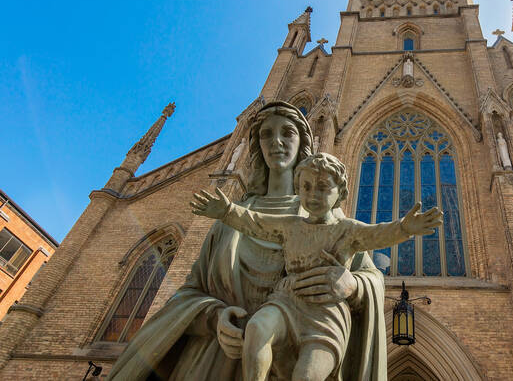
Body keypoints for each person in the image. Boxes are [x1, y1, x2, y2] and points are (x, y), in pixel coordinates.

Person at [109, 102, 388, 380]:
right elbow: (188, 293)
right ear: (255, 144)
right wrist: (214, 317)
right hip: (213, 362)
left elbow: (370, 276)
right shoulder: (229, 220)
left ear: (305, 141)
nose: (276, 142)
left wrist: (353, 285)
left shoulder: (327, 219)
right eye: (266, 134)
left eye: (287, 133)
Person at [192, 154, 441, 380]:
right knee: (257, 329)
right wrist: (226, 211)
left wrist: (405, 228)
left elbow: (378, 234)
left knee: (307, 376)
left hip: (325, 314)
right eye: (306, 187)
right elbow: (255, 223)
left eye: (323, 188)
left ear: (341, 193)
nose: (313, 195)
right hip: (287, 300)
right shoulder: (290, 225)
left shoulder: (347, 229)